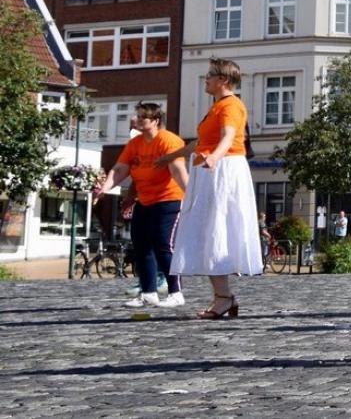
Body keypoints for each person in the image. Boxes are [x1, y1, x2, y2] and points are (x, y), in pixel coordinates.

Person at [162, 58, 263, 319]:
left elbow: (228, 136)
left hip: (222, 171)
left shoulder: (231, 105)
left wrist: (216, 157)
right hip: (210, 171)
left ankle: (223, 298)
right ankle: (224, 296)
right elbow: (199, 143)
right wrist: (167, 158)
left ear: (224, 81)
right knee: (209, 231)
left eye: (210, 75)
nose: (206, 78)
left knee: (215, 230)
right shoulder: (217, 107)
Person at [93, 102, 189, 309]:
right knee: (142, 246)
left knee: (163, 244)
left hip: (169, 199)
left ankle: (176, 292)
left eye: (141, 117)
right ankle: (148, 293)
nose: (136, 120)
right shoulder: (135, 144)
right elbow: (120, 169)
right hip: (145, 201)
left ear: (155, 121)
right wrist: (104, 189)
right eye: (136, 116)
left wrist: (191, 195)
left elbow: (177, 169)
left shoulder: (169, 141)